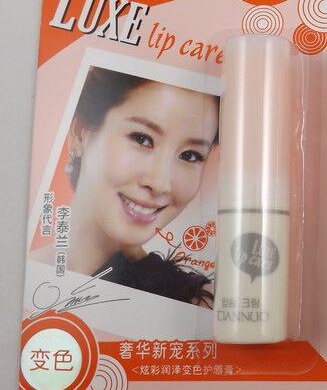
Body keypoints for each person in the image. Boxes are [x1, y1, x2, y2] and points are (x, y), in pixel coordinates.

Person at [36, 67, 219, 306]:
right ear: (80, 133)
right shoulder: (18, 270)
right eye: (141, 139)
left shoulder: (196, 304)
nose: (160, 183)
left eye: (190, 155)